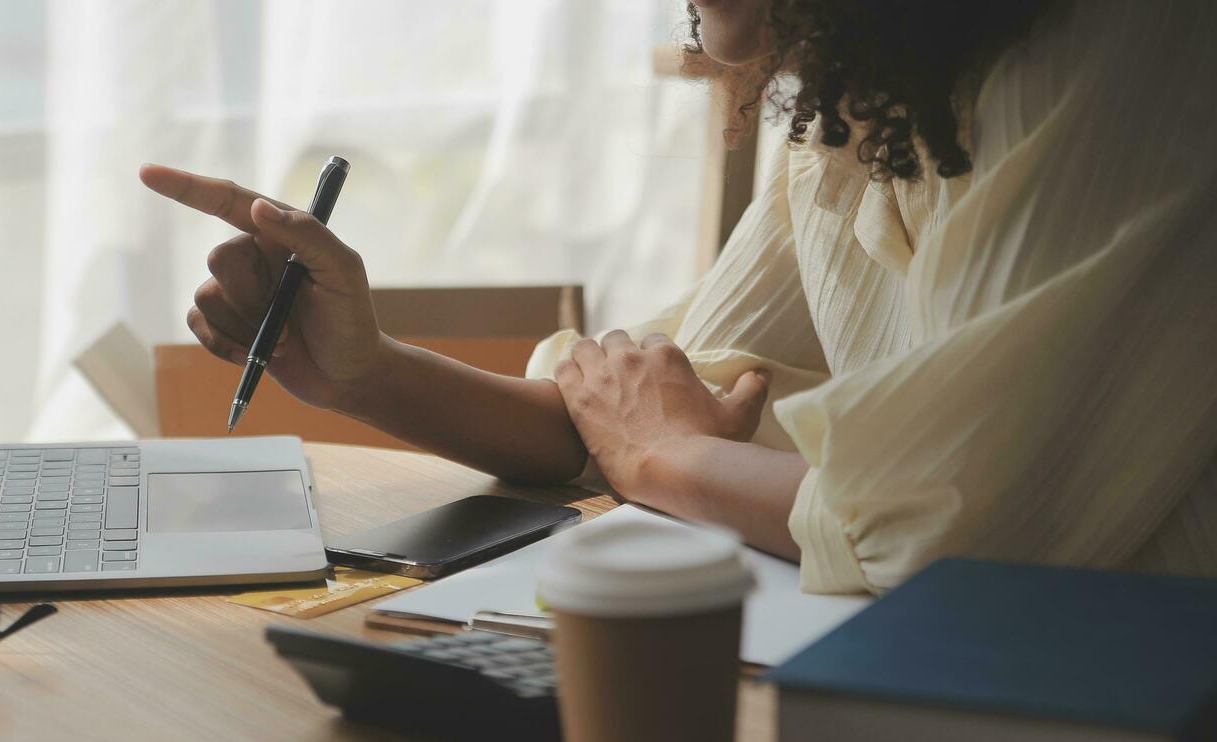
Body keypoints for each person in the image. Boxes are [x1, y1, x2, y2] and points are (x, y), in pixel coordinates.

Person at [141, 0, 1217, 595]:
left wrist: (672, 461)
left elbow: (947, 528)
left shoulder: (1115, 50)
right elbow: (618, 413)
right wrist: (365, 371)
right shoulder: (860, 109)